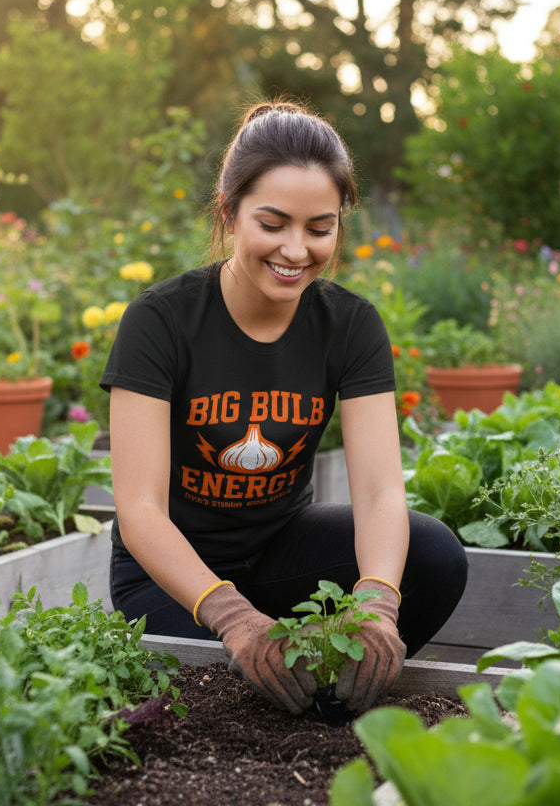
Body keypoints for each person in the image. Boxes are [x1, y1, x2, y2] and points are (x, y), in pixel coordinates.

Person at [100, 100, 468, 716]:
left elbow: (381, 492)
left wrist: (377, 602)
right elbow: (139, 510)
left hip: (277, 552)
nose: (295, 250)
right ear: (229, 213)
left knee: (433, 556)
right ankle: (294, 703)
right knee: (229, 696)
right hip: (171, 578)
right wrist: (233, 618)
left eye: (319, 229)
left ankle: (332, 710)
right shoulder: (161, 322)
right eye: (272, 224)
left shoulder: (349, 327)